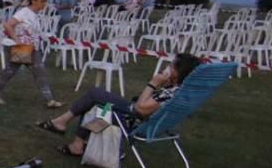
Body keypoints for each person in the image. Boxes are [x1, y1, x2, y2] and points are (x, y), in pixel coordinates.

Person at [36, 53, 200, 156]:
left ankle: (64, 125)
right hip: (137, 117)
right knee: (99, 104)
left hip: (130, 119)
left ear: (178, 72)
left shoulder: (170, 93)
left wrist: (153, 83)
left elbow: (140, 108)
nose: (167, 68)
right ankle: (75, 142)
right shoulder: (181, 90)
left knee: (96, 97)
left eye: (171, 66)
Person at [0, 0, 62, 108]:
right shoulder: (23, 13)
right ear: (34, 0)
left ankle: (50, 100)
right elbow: (8, 25)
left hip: (32, 48)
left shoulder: (35, 15)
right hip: (23, 48)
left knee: (40, 72)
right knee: (10, 71)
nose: (45, 4)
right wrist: (16, 39)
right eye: (42, 1)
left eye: (45, 1)